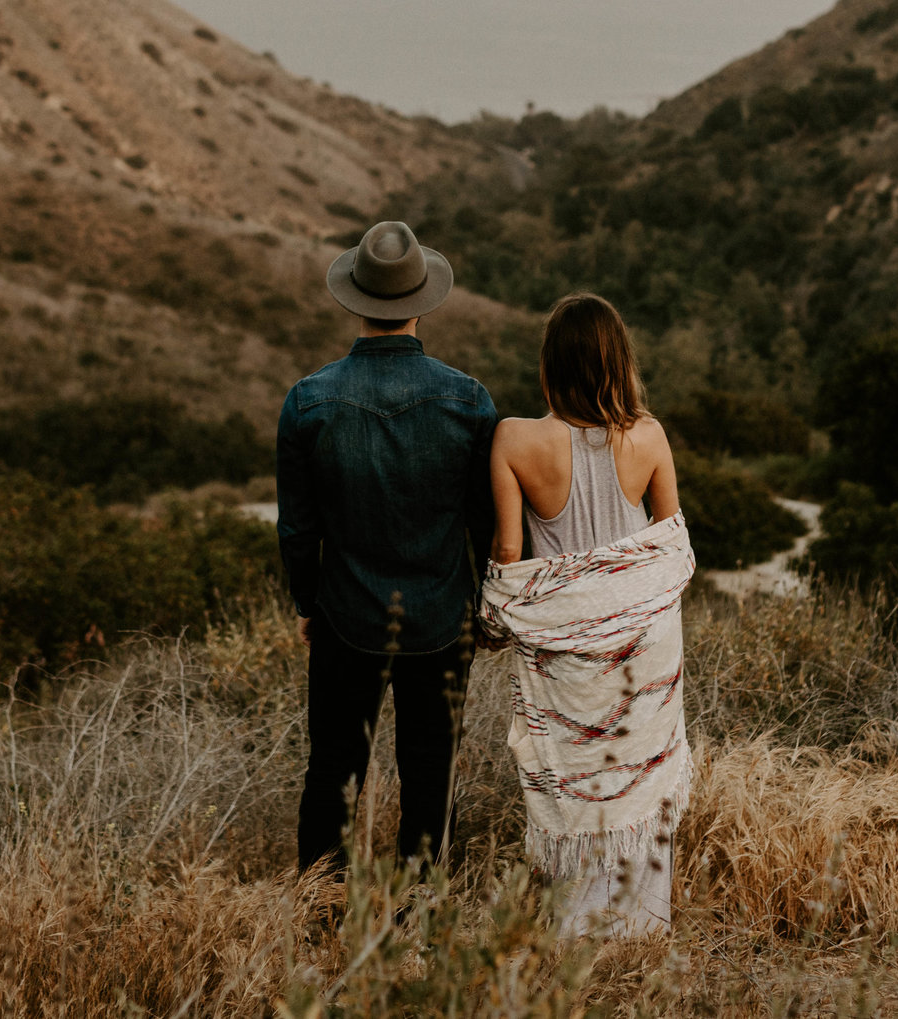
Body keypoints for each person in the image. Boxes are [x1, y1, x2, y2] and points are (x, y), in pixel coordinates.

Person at [278, 220, 499, 877]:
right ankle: (419, 912)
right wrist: (485, 603)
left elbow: (297, 527)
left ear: (355, 298)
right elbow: (485, 523)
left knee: (333, 768)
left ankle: (322, 906)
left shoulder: (308, 400)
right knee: (430, 768)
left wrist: (307, 600)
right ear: (422, 300)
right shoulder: (470, 400)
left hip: (346, 613)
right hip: (441, 614)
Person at [479, 293, 695, 939]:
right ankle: (640, 925)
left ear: (550, 364)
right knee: (637, 775)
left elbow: (510, 552)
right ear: (618, 361)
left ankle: (573, 928)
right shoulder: (649, 435)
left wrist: (494, 621)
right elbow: (670, 547)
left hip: (563, 655)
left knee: (574, 783)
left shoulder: (515, 438)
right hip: (643, 648)